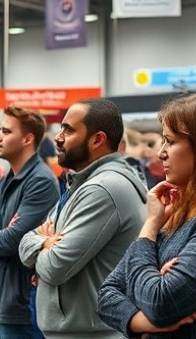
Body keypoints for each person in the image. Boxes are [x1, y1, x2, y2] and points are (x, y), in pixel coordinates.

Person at [99, 93, 196, 337]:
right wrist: (142, 320)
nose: (160, 153)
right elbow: (108, 293)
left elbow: (162, 303)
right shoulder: (177, 209)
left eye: (170, 142)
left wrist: (149, 238)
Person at [18, 99, 147, 338]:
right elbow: (26, 241)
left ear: (97, 139)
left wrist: (41, 249)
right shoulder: (82, 184)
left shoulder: (102, 189)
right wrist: (41, 243)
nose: (58, 137)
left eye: (69, 130)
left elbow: (55, 267)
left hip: (92, 332)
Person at [0, 106, 59, 339]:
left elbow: (11, 243)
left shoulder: (40, 181)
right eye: (0, 130)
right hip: (1, 296)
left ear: (27, 139)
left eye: (7, 132)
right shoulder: (5, 181)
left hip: (23, 301)